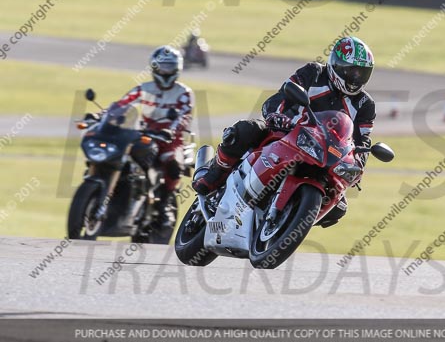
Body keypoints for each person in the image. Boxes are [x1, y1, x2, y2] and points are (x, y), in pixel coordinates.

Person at [193, 36, 376, 228]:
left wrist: (358, 165)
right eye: (351, 71)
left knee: (339, 207)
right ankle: (214, 174)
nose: (355, 78)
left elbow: (363, 141)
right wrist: (277, 115)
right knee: (244, 131)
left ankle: (290, 217)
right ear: (337, 64)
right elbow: (281, 96)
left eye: (361, 73)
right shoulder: (314, 73)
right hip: (288, 132)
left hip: (326, 154)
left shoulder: (365, 104)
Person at [116, 45, 194, 227]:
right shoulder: (143, 88)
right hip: (144, 133)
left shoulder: (184, 93)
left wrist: (171, 130)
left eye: (169, 66)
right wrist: (103, 115)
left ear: (177, 68)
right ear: (153, 67)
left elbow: (185, 115)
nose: (165, 71)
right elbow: (121, 104)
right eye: (162, 66)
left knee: (173, 165)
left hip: (170, 139)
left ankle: (164, 205)